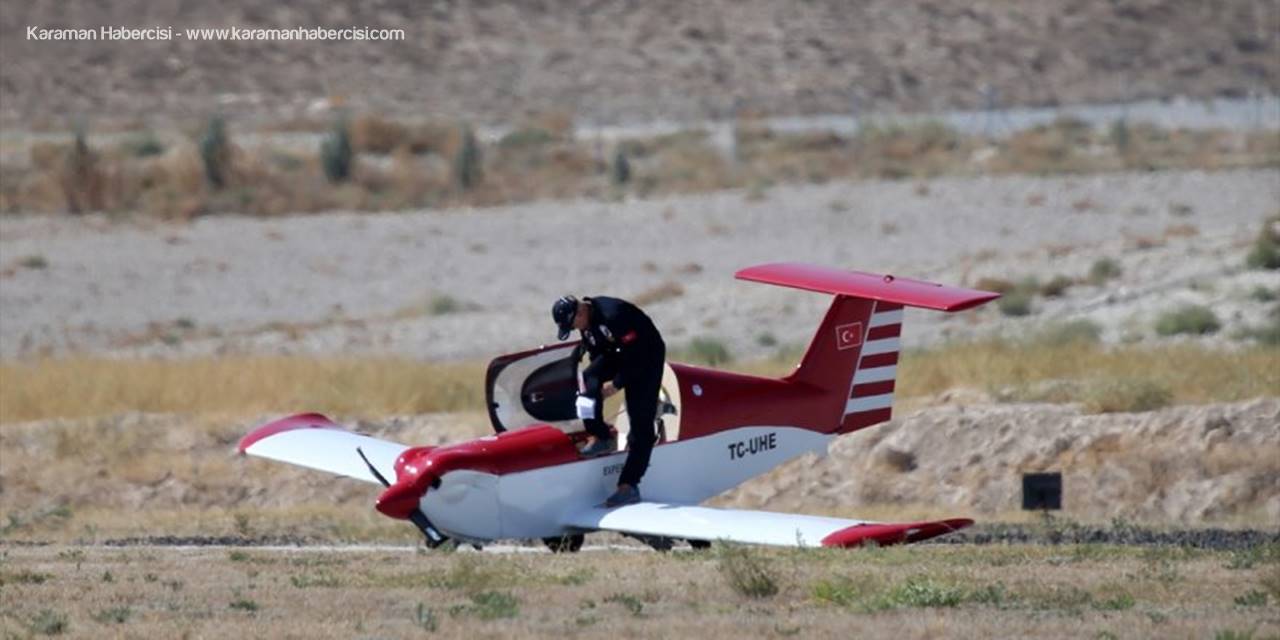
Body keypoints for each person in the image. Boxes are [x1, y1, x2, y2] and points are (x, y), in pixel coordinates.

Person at [552, 295, 666, 507]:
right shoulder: (586, 325)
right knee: (588, 381)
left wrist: (615, 384)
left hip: (646, 357)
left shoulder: (614, 315)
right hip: (620, 353)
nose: (575, 328)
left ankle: (629, 485)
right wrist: (593, 391)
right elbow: (598, 355)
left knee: (640, 422)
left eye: (573, 324)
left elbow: (638, 354)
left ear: (580, 313)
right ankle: (602, 435)